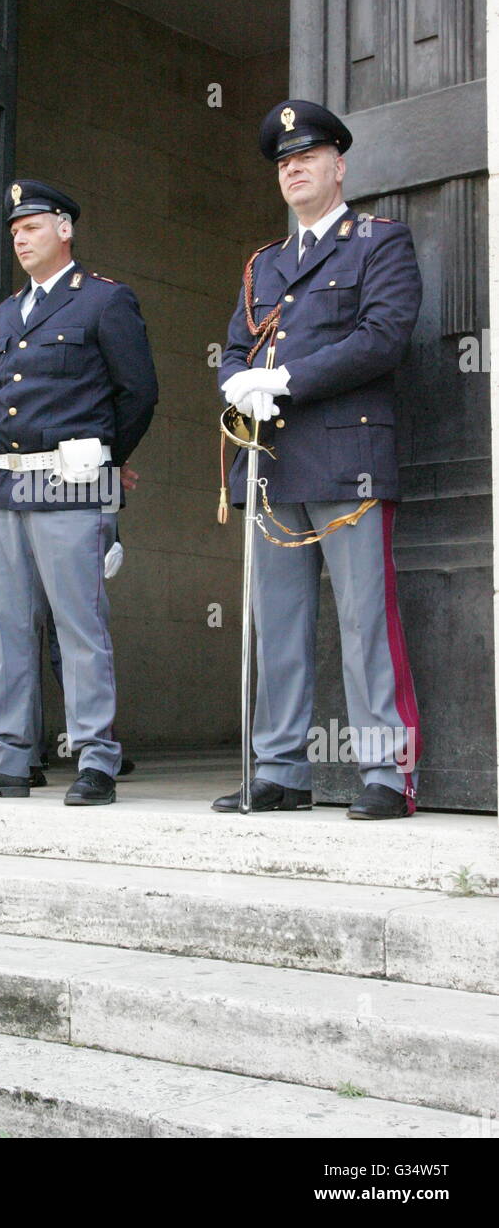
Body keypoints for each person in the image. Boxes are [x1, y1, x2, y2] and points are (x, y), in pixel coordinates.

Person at [214, 100, 422, 820]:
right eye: (283, 161)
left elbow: (382, 337)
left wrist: (287, 380)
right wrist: (238, 381)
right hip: (271, 465)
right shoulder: (263, 265)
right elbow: (236, 348)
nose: (294, 168)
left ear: (339, 164)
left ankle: (385, 773)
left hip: (347, 458)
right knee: (279, 622)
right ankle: (281, 770)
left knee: (365, 618)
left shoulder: (378, 243)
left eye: (307, 156)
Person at [0, 180, 157, 805]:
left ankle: (94, 755)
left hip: (69, 479)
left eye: (31, 226)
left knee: (79, 623)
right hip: (10, 482)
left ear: (65, 229)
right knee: (7, 627)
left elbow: (137, 391)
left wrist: (105, 456)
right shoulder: (7, 313)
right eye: (13, 231)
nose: (20, 238)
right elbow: (2, 397)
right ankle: (6, 753)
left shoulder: (105, 302)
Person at [0, 389, 137, 785]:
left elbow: (134, 405)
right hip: (1, 520)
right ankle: (20, 756)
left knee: (73, 633)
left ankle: (94, 749)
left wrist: (107, 462)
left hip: (70, 509)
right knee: (12, 637)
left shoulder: (81, 398)